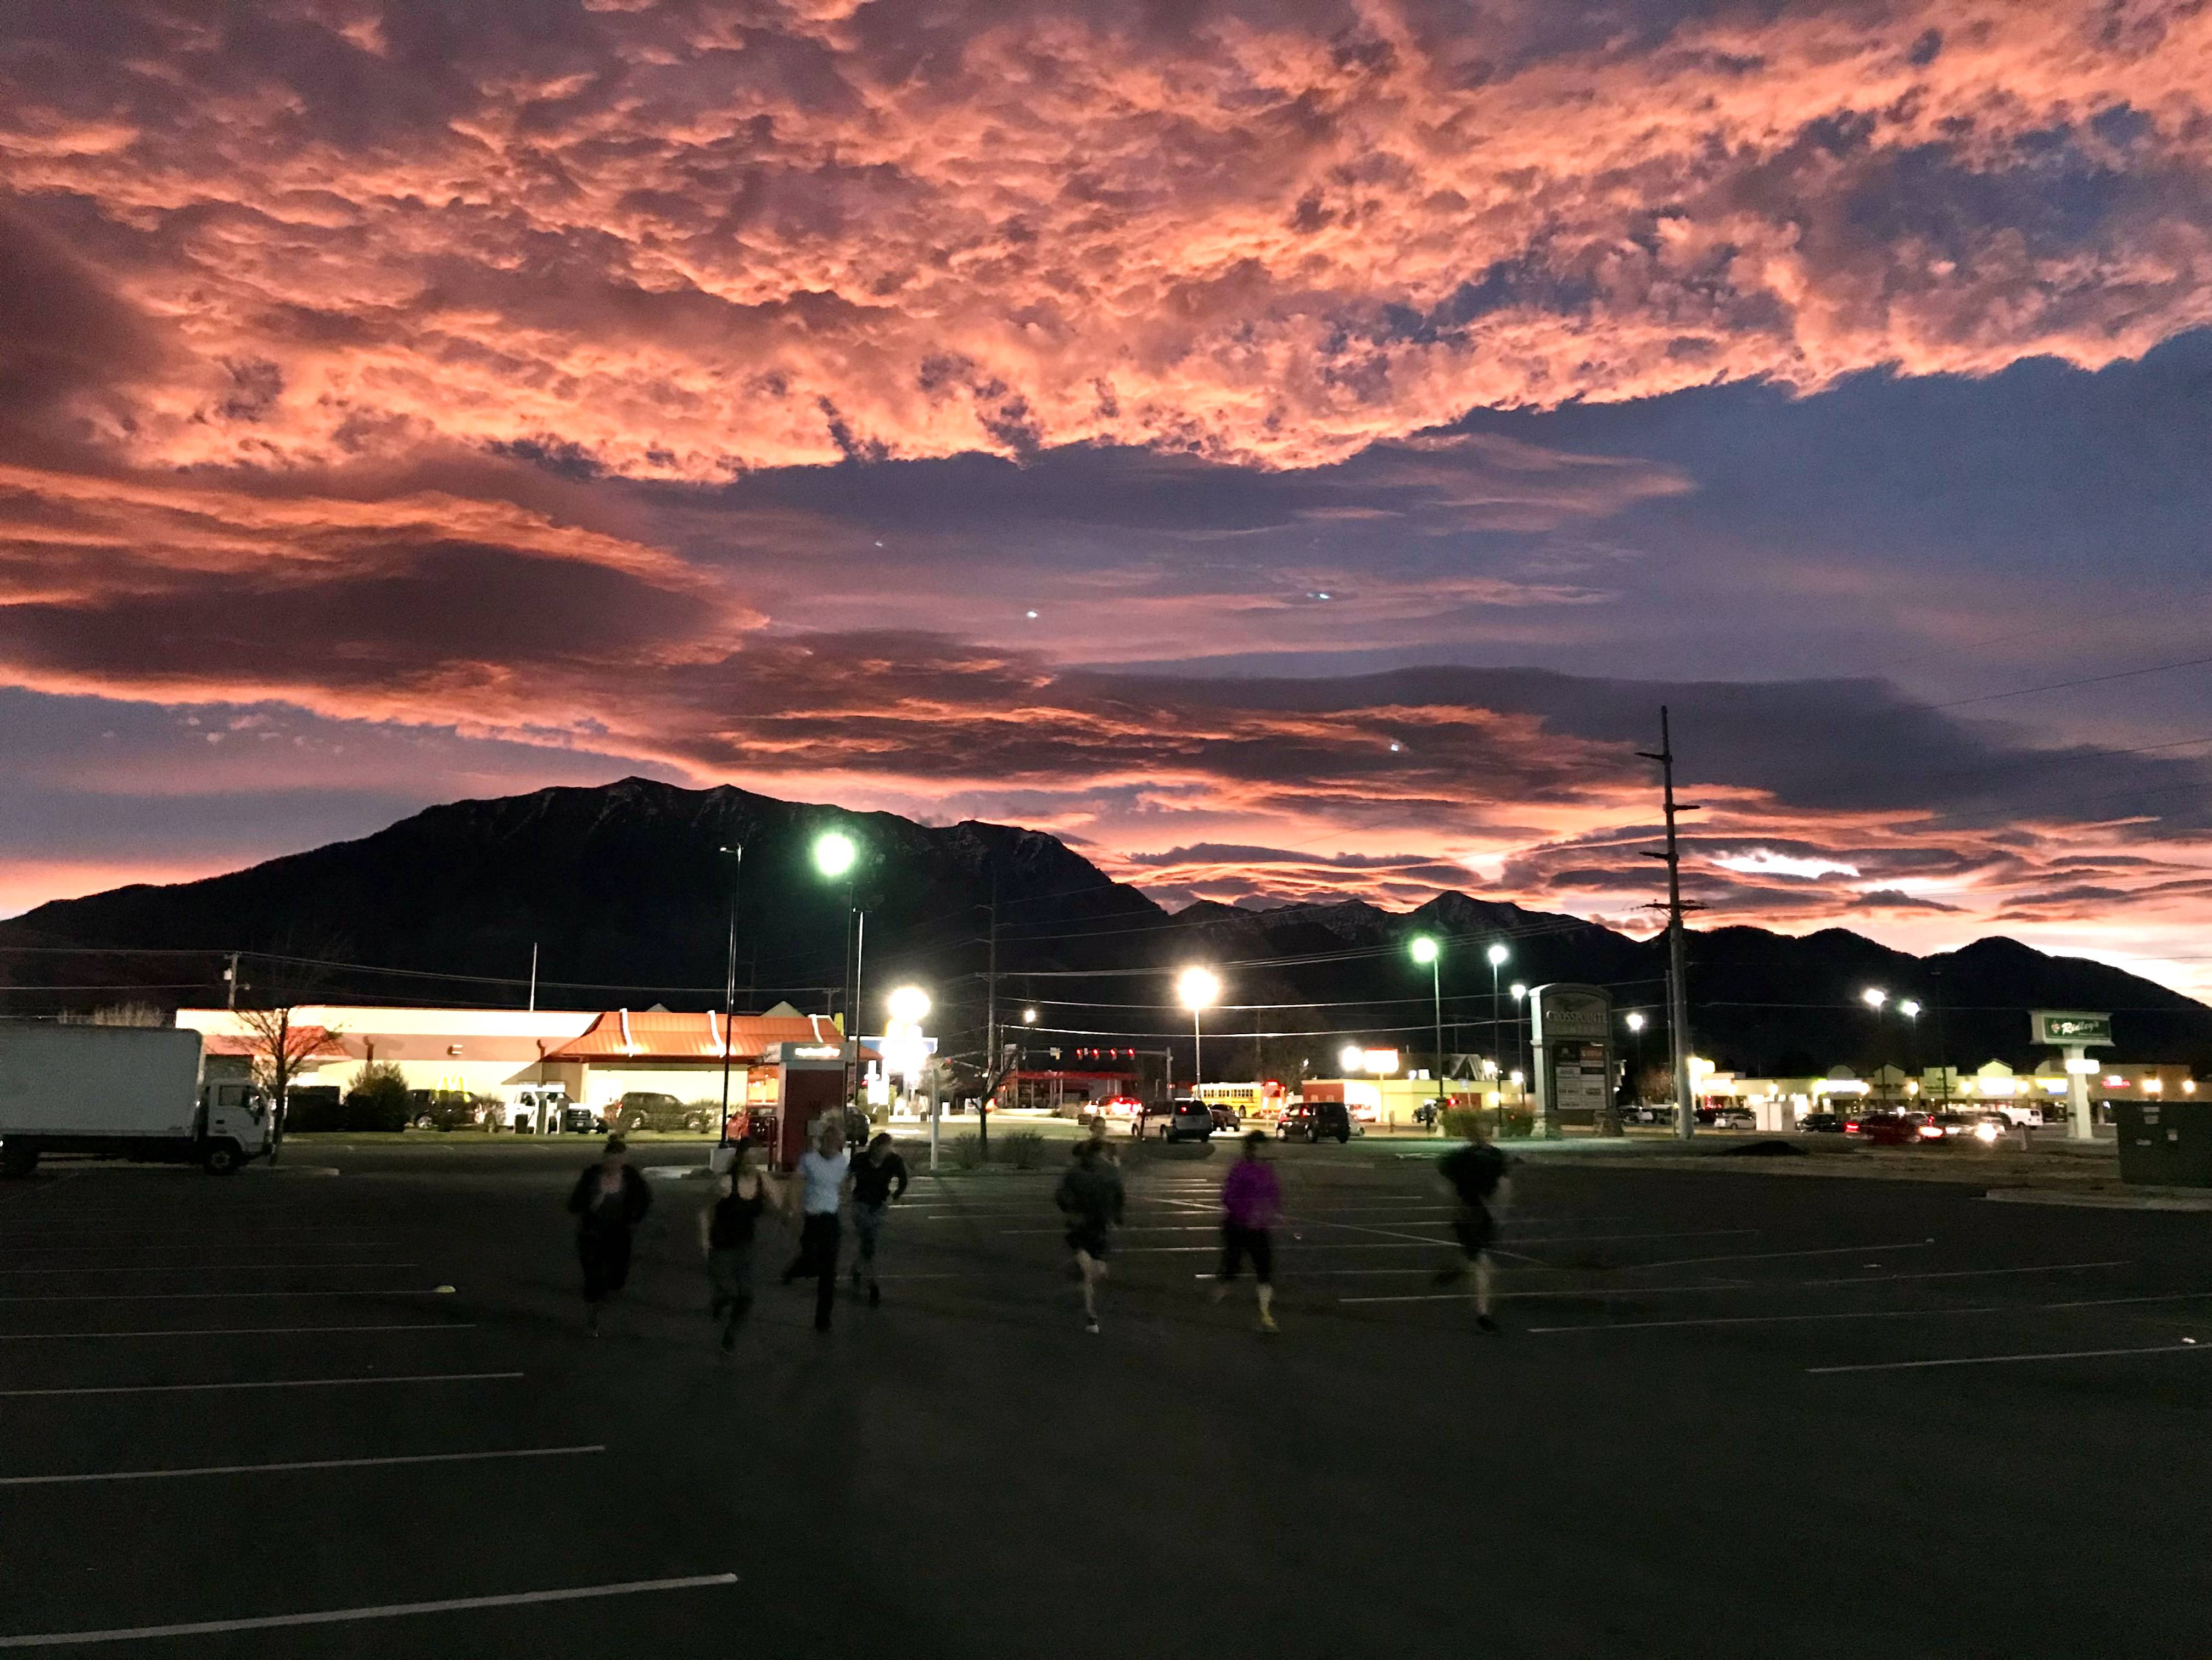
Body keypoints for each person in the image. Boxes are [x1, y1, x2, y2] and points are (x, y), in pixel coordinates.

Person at [568, 1135, 652, 1336]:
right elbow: (574, 1205)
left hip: (619, 1234)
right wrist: (593, 1202)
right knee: (593, 1278)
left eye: (618, 1160)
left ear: (624, 1161)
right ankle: (593, 1318)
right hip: (592, 1234)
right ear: (604, 1159)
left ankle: (605, 1298)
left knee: (617, 1278)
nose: (613, 1164)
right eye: (610, 1160)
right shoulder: (592, 1177)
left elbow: (645, 1199)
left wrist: (634, 1219)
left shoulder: (631, 1178)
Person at [698, 1136, 777, 1351]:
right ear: (740, 1159)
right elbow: (705, 1211)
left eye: (755, 1159)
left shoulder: (762, 1182)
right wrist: (705, 1241)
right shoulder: (726, 1184)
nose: (751, 1164)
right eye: (747, 1159)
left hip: (745, 1246)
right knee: (728, 1292)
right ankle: (720, 1301)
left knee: (747, 1297)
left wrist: (786, 1203)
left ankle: (730, 1335)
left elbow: (778, 1208)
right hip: (722, 1246)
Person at [1435, 1119, 1513, 1333]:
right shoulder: (1489, 1156)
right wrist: (1499, 1211)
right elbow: (1504, 1186)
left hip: (1477, 1215)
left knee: (1481, 1265)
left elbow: (1445, 1184)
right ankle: (1483, 1314)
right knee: (1484, 1267)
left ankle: (1457, 1269)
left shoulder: (1462, 1157)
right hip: (1474, 1216)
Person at [781, 1119, 852, 1331]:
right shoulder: (809, 1160)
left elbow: (845, 1186)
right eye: (828, 1140)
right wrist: (793, 1208)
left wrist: (846, 1196)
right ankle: (795, 1269)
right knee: (811, 1259)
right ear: (822, 1141)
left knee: (829, 1271)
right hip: (812, 1217)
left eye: (836, 1141)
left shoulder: (842, 1162)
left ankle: (823, 1318)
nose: (831, 1145)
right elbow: (796, 1183)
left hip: (831, 1219)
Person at [1054, 1136, 1124, 1334]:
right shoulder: (1109, 1171)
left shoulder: (1076, 1172)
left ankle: (1086, 1298)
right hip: (1097, 1226)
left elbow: (1061, 1197)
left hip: (1082, 1224)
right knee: (1093, 1271)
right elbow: (1119, 1196)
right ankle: (1090, 1314)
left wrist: (1071, 1210)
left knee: (1092, 1271)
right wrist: (1116, 1218)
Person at [1214, 1131, 1281, 1332]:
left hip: (1259, 1229)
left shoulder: (1267, 1171)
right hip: (1238, 1226)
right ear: (1252, 1149)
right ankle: (1222, 1288)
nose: (1265, 1150)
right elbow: (1228, 1196)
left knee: (1265, 1269)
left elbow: (1273, 1194)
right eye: (1261, 1146)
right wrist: (1246, 1213)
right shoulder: (1241, 1170)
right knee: (1232, 1264)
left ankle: (1265, 1314)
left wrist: (1275, 1212)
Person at [848, 1132, 909, 1306]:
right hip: (861, 1204)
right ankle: (872, 1283)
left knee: (868, 1241)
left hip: (879, 1206)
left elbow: (903, 1180)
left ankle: (857, 1269)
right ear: (877, 1147)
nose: (888, 1151)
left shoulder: (893, 1161)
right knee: (869, 1242)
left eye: (890, 1148)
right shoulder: (861, 1159)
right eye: (886, 1147)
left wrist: (894, 1196)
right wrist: (846, 1194)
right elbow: (848, 1175)